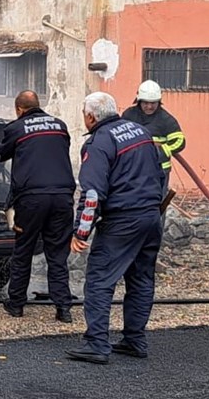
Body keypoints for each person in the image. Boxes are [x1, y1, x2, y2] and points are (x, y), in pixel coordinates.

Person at [65, 92, 166, 365]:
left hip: (123, 220)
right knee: (141, 279)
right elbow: (160, 173)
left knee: (99, 279)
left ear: (90, 117)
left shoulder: (99, 143)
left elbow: (93, 194)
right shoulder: (140, 132)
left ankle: (96, 344)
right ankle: (135, 340)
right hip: (151, 216)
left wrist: (80, 232)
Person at [0, 91, 76, 323]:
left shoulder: (16, 127)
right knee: (57, 255)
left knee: (23, 251)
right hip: (63, 197)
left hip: (32, 199)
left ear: (19, 109)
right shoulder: (60, 126)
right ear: (38, 105)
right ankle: (63, 309)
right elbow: (46, 149)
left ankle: (16, 305)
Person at [121, 80, 185, 199]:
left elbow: (180, 141)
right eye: (145, 103)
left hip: (158, 171)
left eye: (153, 103)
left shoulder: (165, 119)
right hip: (133, 169)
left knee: (156, 204)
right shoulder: (129, 115)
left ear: (159, 102)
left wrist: (160, 151)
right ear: (139, 101)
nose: (149, 107)